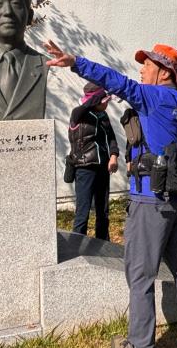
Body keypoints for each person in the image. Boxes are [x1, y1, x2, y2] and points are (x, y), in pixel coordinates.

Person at [43, 41, 177, 348]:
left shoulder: (151, 96)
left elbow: (115, 82)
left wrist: (76, 62)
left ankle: (140, 342)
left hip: (151, 200)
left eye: (147, 65)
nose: (142, 70)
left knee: (140, 274)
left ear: (164, 71)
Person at [68, 82, 119, 241]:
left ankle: (104, 245)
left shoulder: (103, 116)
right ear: (96, 100)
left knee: (103, 212)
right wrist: (100, 93)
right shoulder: (78, 114)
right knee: (82, 212)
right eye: (105, 101)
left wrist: (113, 156)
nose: (107, 103)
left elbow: (111, 138)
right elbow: (88, 104)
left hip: (103, 167)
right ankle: (75, 247)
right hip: (85, 168)